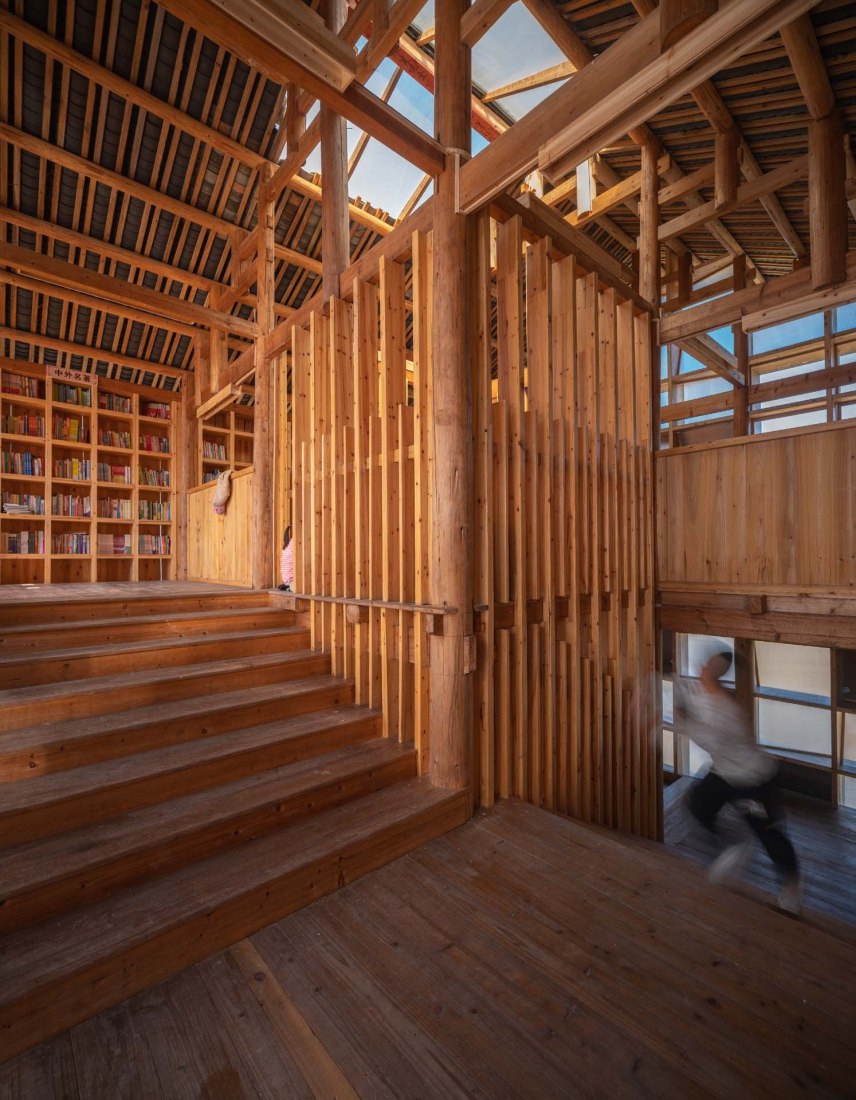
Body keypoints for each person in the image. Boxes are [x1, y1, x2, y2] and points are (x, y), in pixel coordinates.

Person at [675, 644, 802, 914]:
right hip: (724, 772)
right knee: (697, 804)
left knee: (768, 833)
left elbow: (709, 740)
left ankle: (791, 887)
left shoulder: (725, 709)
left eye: (706, 666)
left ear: (711, 672)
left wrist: (682, 720)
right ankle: (735, 845)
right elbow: (689, 710)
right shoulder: (706, 695)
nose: (700, 669)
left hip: (753, 779)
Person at [279, 526, 293, 592]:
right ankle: (290, 587)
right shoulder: (294, 542)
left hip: (285, 579)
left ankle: (288, 586)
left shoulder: (285, 546)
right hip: (291, 580)